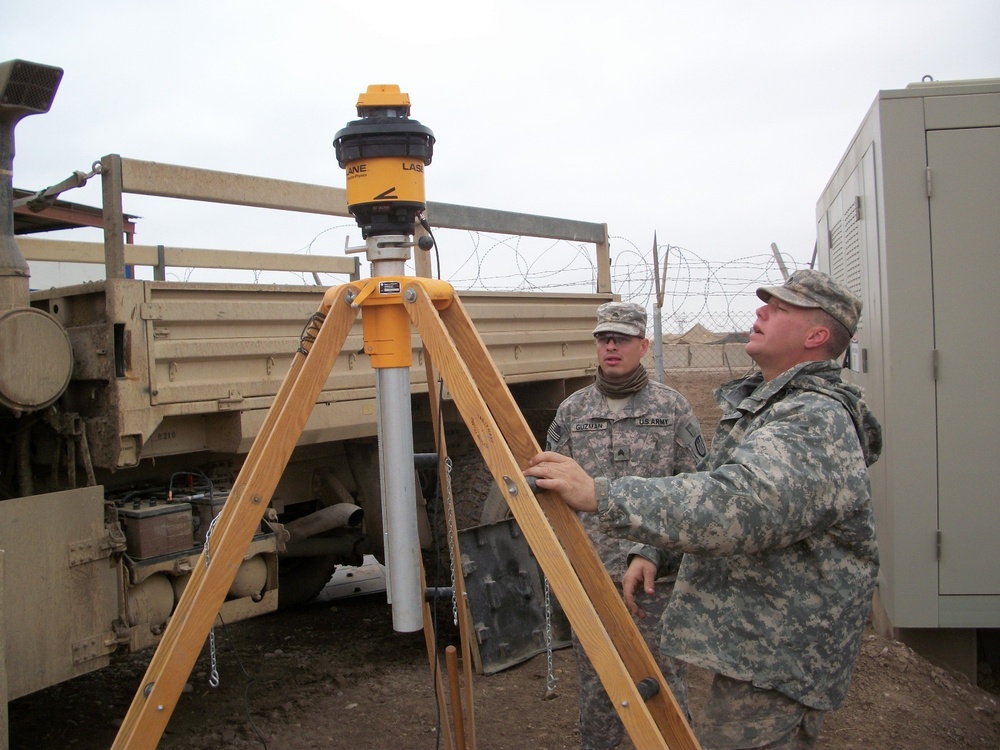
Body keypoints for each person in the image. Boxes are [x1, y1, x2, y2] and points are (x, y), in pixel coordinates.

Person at [526, 270, 882, 750]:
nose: (759, 312)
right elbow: (709, 486)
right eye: (603, 339)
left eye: (778, 309)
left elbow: (739, 503)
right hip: (750, 646)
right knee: (601, 686)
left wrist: (603, 495)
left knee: (663, 691)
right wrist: (655, 551)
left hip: (781, 655)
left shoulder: (812, 418)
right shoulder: (770, 407)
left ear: (816, 335)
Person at [545, 301, 707, 750]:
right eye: (603, 338)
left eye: (621, 338)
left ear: (644, 345)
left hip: (657, 578)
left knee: (664, 682)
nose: (610, 345)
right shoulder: (572, 412)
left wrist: (662, 550)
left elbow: (696, 485)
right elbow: (551, 487)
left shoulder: (671, 407)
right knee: (599, 686)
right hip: (593, 572)